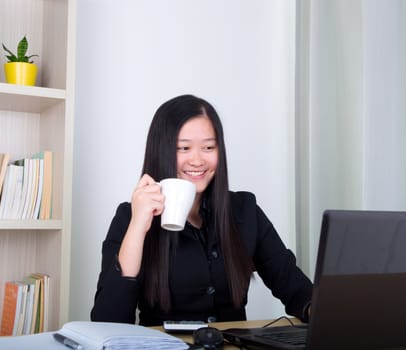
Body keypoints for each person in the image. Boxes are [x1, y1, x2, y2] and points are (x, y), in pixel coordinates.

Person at [90, 94, 312, 326]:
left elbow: (296, 288)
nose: (197, 160)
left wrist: (319, 310)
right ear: (161, 151)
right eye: (184, 148)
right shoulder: (130, 217)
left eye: (208, 147)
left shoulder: (244, 210)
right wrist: (138, 227)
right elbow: (107, 321)